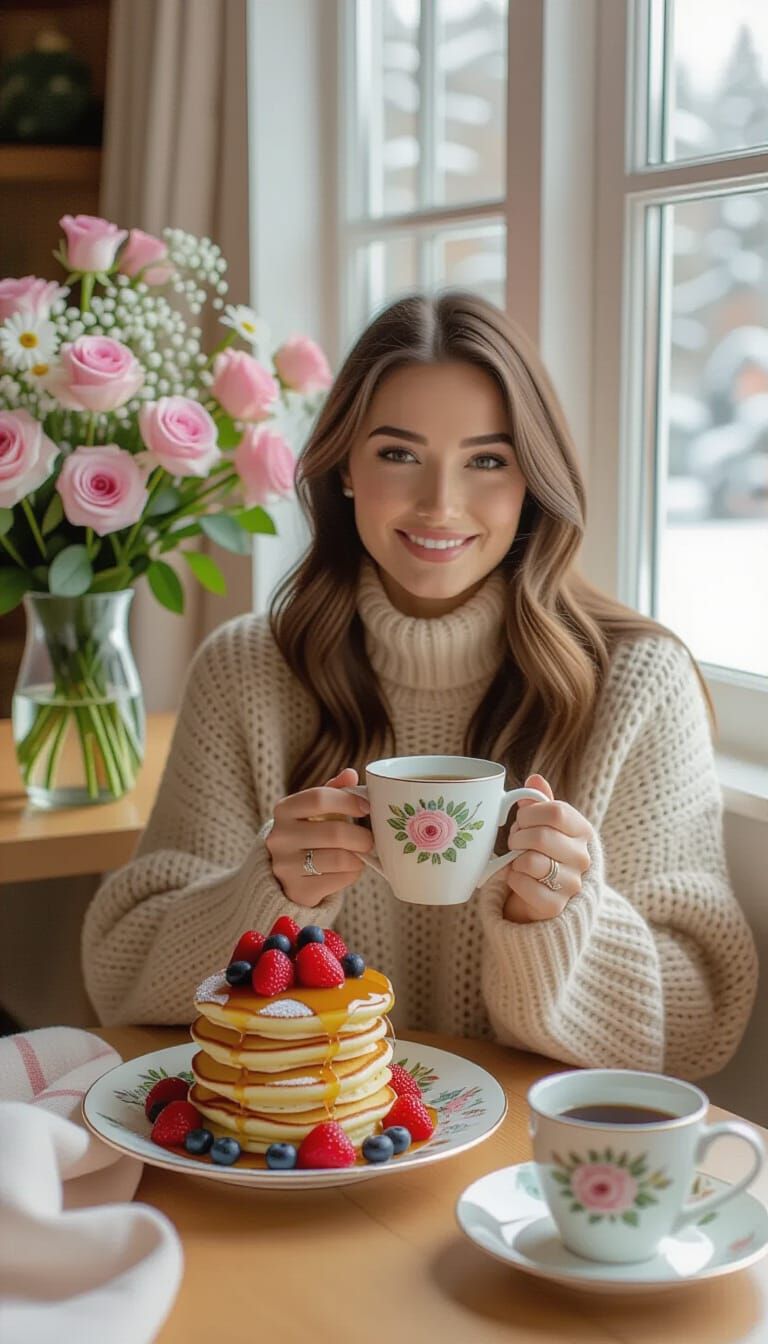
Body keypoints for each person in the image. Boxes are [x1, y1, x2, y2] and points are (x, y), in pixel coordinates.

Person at [82, 292, 758, 1079]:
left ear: (533, 481)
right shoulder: (248, 670)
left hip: (527, 1175)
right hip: (302, 1150)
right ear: (342, 467)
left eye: (488, 460)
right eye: (399, 454)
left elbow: (700, 1020)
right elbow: (121, 977)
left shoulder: (636, 684)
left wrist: (561, 922)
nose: (441, 503)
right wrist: (263, 896)